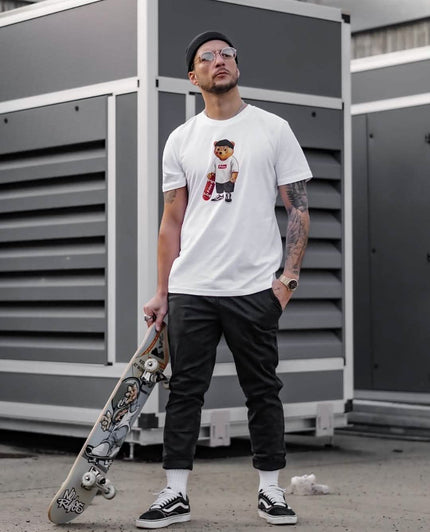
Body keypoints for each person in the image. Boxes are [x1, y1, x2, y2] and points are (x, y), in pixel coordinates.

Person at [136, 30, 312, 529]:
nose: (219, 60)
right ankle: (174, 493)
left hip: (255, 288)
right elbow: (171, 221)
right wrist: (162, 290)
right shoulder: (181, 139)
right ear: (193, 76)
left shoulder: (273, 129)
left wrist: (288, 279)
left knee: (263, 390)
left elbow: (298, 208)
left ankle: (271, 491)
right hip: (192, 288)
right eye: (207, 57)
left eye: (227, 54)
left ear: (237, 65)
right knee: (185, 391)